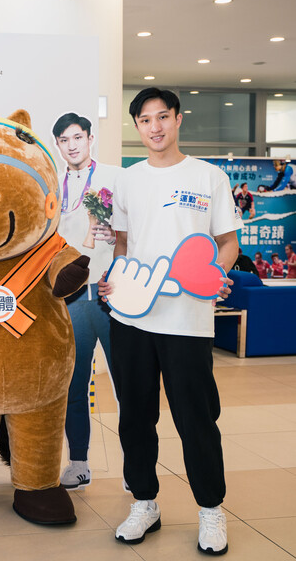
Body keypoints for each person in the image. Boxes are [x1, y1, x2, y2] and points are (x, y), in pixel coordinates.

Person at [99, 88, 241, 555]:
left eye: (163, 117)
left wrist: (217, 273)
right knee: (136, 418)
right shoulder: (128, 180)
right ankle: (145, 503)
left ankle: (211, 510)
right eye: (144, 120)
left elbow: (227, 241)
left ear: (178, 119)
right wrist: (113, 280)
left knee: (196, 418)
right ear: (136, 126)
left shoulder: (209, 176)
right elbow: (122, 243)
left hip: (187, 319)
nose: (155, 127)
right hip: (132, 318)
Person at [52, 112, 119, 490]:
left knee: (127, 385)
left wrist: (117, 234)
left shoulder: (114, 177)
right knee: (73, 386)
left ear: (90, 138)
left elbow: (133, 231)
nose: (72, 144)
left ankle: (134, 466)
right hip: (70, 301)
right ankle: (78, 463)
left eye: (78, 137)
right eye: (64, 139)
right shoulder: (52, 186)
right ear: (59, 145)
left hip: (111, 298)